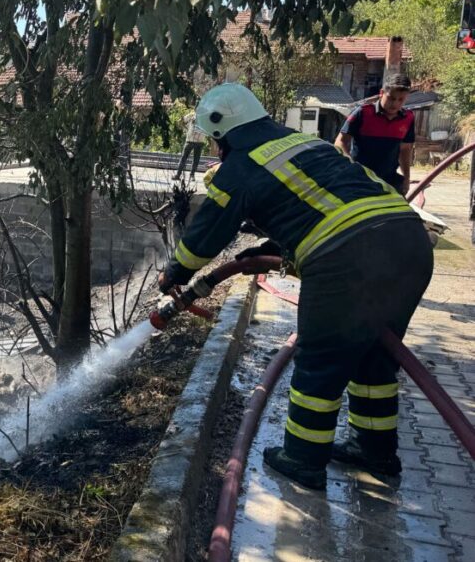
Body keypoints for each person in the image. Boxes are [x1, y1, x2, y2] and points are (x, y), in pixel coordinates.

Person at [158, 83, 433, 490]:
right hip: (409, 243)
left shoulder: (241, 165)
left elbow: (206, 236)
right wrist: (280, 243)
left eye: (215, 141)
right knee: (374, 352)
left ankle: (303, 459)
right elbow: (325, 198)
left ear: (223, 133)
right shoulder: (306, 143)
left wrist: (174, 273)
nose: (216, 150)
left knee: (320, 358)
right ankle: (375, 452)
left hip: (348, 258)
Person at [335, 72, 415, 194]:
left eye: (401, 100)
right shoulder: (363, 113)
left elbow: (405, 149)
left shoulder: (408, 118)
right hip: (359, 180)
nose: (395, 104)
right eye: (391, 98)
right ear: (382, 93)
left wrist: (407, 178)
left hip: (389, 180)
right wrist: (351, 167)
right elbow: (340, 141)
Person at [174, 112, 206, 179]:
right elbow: (181, 121)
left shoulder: (204, 116)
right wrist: (186, 128)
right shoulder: (193, 115)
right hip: (192, 140)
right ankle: (181, 175)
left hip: (197, 141)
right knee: (187, 159)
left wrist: (186, 128)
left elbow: (181, 122)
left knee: (192, 159)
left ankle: (186, 175)